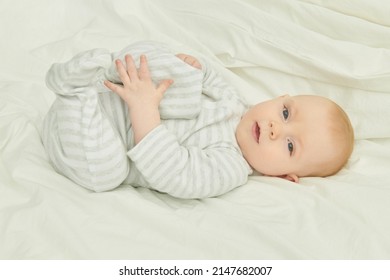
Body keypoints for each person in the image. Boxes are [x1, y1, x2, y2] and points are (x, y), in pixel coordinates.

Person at [42, 41, 354, 199]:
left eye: (289, 145)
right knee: (172, 70)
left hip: (86, 137)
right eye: (285, 113)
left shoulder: (230, 167)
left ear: (285, 177)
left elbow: (175, 172)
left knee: (107, 174)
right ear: (281, 98)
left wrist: (144, 109)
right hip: (114, 93)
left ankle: (74, 90)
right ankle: (109, 71)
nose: (275, 127)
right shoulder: (233, 100)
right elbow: (206, 75)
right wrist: (187, 69)